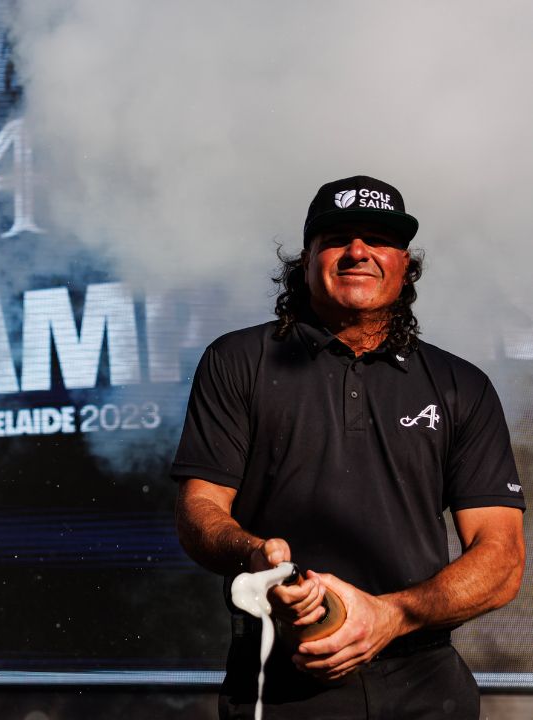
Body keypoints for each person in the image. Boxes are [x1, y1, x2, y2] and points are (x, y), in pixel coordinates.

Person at [172, 175, 525, 719]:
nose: (358, 251)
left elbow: (502, 558)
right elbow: (199, 508)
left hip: (425, 683)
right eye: (337, 237)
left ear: (405, 262)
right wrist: (255, 556)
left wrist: (393, 615)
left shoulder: (461, 385)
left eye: (379, 238)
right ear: (307, 257)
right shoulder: (237, 361)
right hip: (280, 679)